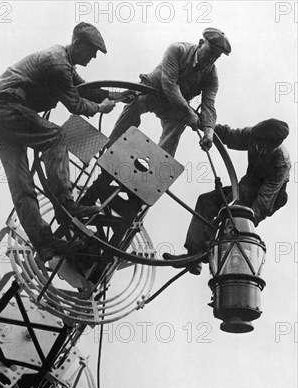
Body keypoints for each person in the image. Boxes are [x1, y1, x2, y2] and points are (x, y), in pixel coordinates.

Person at [0, 23, 121, 262]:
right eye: (91, 50)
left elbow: (83, 88)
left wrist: (116, 96)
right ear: (77, 44)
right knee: (56, 137)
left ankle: (44, 243)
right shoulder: (58, 64)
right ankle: (67, 203)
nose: (94, 56)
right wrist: (102, 108)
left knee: (22, 184)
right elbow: (76, 104)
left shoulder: (63, 62)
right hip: (6, 108)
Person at [163, 119, 291, 274]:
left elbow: (265, 199)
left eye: (263, 146)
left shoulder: (281, 162)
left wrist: (245, 222)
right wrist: (205, 126)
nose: (258, 147)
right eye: (256, 142)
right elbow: (230, 135)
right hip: (246, 185)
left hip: (269, 196)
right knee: (206, 200)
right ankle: (193, 256)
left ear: (274, 145)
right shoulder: (254, 134)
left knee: (229, 209)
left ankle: (212, 250)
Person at [107, 27, 231, 156]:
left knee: (177, 126)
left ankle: (159, 169)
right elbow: (169, 84)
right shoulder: (177, 49)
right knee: (134, 103)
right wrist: (188, 112)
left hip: (174, 107)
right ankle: (111, 154)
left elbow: (209, 104)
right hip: (151, 91)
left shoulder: (211, 75)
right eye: (210, 52)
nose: (211, 59)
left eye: (216, 57)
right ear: (200, 43)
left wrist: (208, 133)